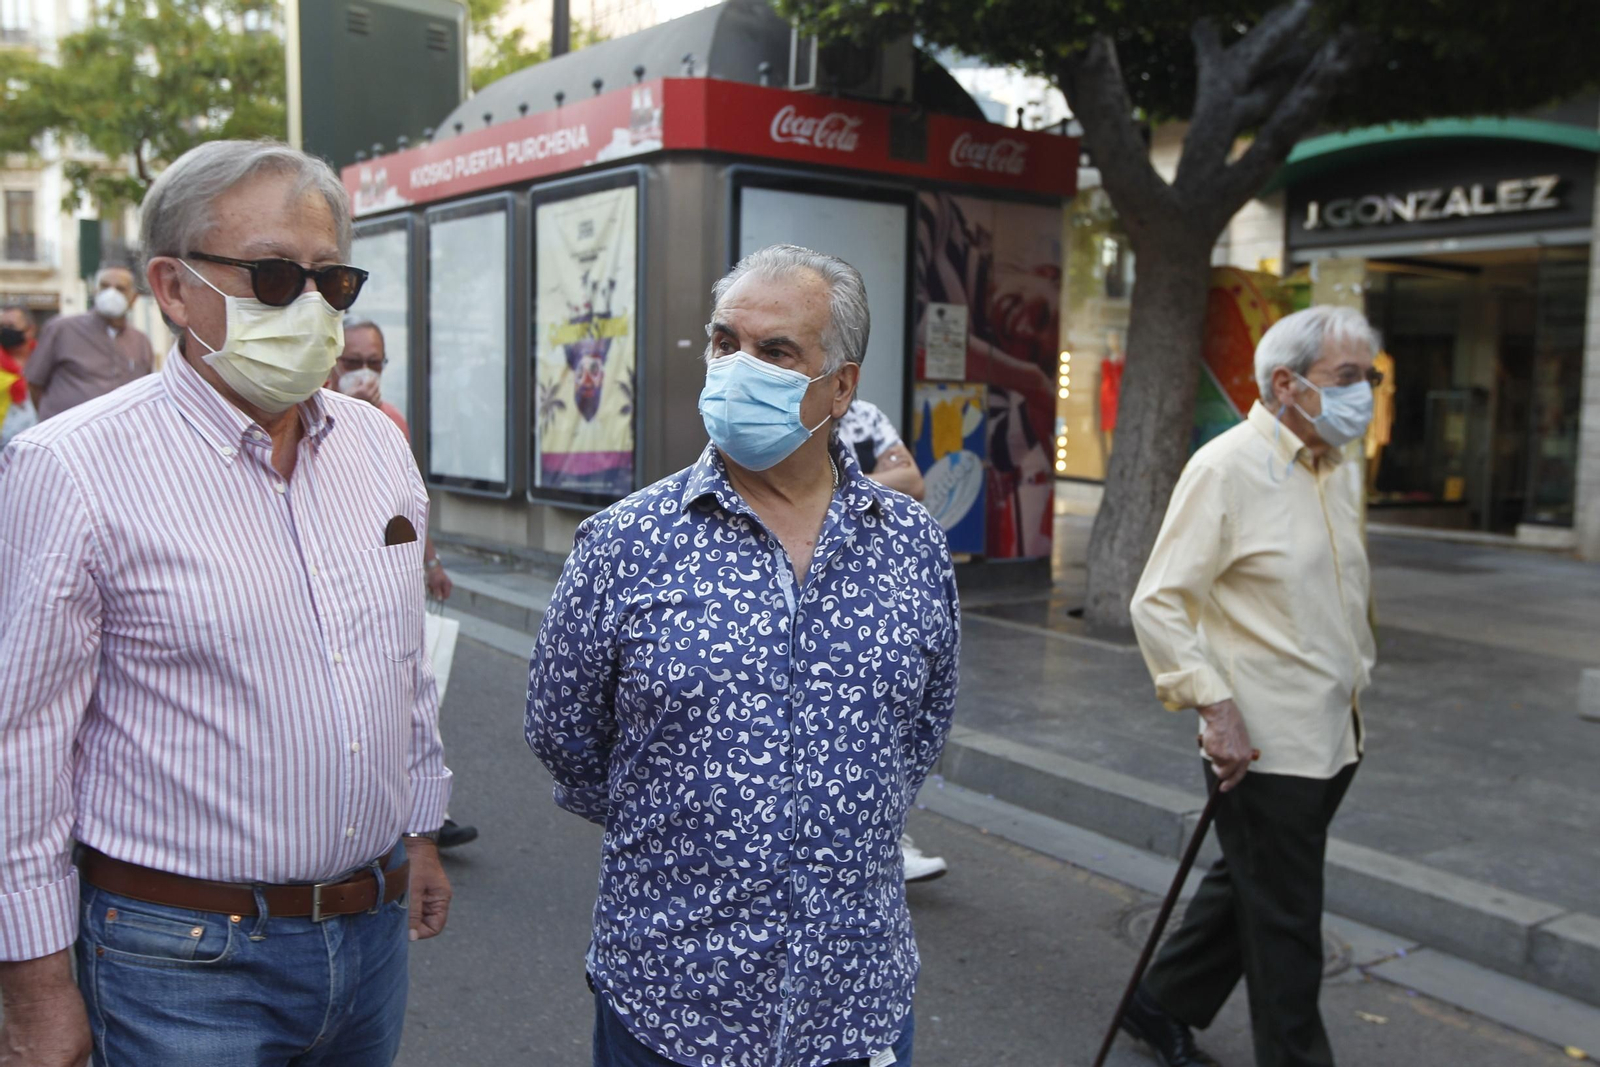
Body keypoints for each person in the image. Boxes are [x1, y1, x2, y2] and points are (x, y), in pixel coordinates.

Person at [0, 139, 453, 1067]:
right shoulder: (70, 468)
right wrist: (37, 993)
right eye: (277, 275)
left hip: (368, 944)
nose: (313, 306)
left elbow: (399, 665)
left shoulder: (377, 448)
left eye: (334, 281)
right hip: (180, 958)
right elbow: (22, 750)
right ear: (171, 288)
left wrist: (423, 830)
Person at [527, 244, 960, 1067]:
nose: (737, 367)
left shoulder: (910, 547)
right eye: (726, 342)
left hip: (852, 1004)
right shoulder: (625, 544)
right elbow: (565, 738)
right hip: (671, 1001)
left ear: (840, 387)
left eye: (775, 351)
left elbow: (921, 730)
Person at [1123, 305, 1382, 1067]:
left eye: (1370, 376)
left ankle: (1160, 1000)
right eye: (1346, 378)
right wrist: (1216, 708)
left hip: (1335, 727)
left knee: (1254, 883)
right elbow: (1159, 600)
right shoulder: (1226, 467)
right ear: (1286, 383)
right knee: (1287, 922)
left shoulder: (1336, 468)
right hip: (1264, 741)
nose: (1363, 392)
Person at [327, 313, 478, 851]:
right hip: (329, 591)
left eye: (375, 363)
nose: (364, 373)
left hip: (382, 586)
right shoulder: (302, 421)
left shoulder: (389, 421)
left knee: (400, 695)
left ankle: (418, 813)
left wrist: (430, 564)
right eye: (352, 363)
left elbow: (406, 510)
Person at [836, 396, 948, 884]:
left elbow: (913, 481)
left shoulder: (865, 415)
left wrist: (841, 486)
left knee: (871, 724)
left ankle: (885, 841)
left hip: (862, 586)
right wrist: (871, 482)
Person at [24, 265, 155, 421]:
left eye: (120, 288)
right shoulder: (62, 329)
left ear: (133, 298)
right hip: (67, 436)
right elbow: (35, 384)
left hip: (117, 437)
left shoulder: (140, 341)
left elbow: (145, 390)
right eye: (105, 286)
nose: (111, 293)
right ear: (95, 290)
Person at [0, 305, 39, 446]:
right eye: (2, 326)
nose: (5, 330)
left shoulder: (44, 357)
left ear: (30, 330)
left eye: (11, 326)